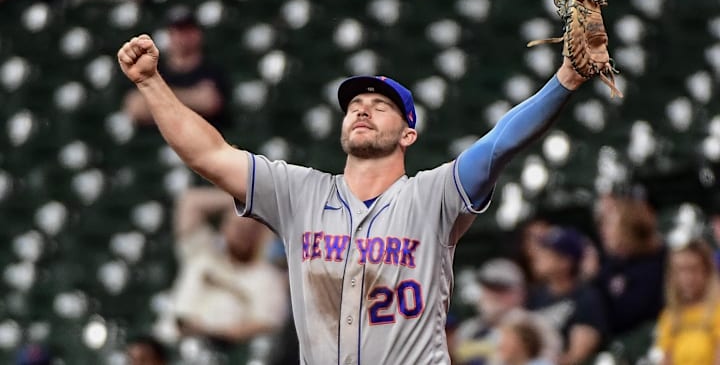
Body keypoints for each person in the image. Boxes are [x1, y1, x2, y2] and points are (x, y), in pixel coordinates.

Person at [117, 28, 593, 363]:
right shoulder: (298, 192)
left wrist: (566, 80)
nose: (362, 111)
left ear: (408, 134)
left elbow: (499, 143)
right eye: (355, 106)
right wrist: (151, 84)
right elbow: (209, 155)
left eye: (380, 106)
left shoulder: (431, 197)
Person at [156, 186, 288, 345]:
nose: (242, 233)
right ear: (223, 227)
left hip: (214, 350)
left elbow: (263, 326)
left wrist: (203, 331)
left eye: (250, 229)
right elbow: (191, 201)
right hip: (167, 343)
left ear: (262, 235)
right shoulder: (202, 251)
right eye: (236, 226)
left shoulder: (268, 280)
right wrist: (247, 200)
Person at [123, 5, 230, 130]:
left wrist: (154, 98)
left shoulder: (212, 69)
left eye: (187, 30)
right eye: (177, 31)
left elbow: (210, 103)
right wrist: (192, 97)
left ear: (198, 33)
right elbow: (135, 108)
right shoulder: (154, 68)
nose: (182, 37)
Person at [453, 258, 560, 365]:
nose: (494, 295)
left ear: (521, 293)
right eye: (489, 288)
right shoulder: (468, 328)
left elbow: (548, 359)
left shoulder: (535, 326)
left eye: (501, 289)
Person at [526, 226, 608, 365]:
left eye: (547, 252)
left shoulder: (586, 298)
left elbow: (577, 356)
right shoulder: (536, 297)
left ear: (565, 262)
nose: (538, 255)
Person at [593, 192, 666, 336]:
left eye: (610, 225)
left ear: (630, 227)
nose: (603, 232)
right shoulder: (608, 268)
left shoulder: (662, 262)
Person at [654, 238, 720, 365]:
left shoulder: (717, 311)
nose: (687, 278)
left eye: (693, 269)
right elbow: (667, 359)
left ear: (707, 271)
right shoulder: (669, 316)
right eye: (680, 271)